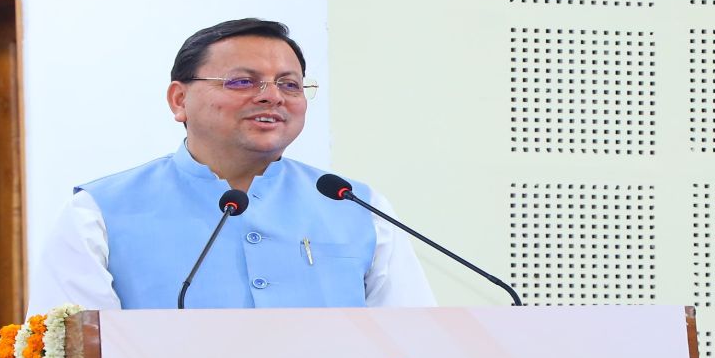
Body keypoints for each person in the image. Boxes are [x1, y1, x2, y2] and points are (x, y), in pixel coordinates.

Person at [28, 18, 434, 311]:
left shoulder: (357, 206)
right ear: (179, 100)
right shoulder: (97, 214)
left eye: (290, 84)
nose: (272, 96)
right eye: (243, 81)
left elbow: (414, 346)